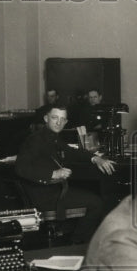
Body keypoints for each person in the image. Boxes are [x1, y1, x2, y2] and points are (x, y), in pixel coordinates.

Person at [15, 104, 116, 243]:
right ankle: (76, 244)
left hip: (54, 190)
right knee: (97, 203)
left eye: (62, 119)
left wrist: (95, 158)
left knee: (93, 195)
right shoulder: (35, 139)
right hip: (43, 195)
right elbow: (21, 168)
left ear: (66, 122)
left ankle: (76, 241)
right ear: (46, 118)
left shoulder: (53, 137)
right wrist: (53, 173)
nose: (58, 122)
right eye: (54, 118)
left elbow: (71, 152)